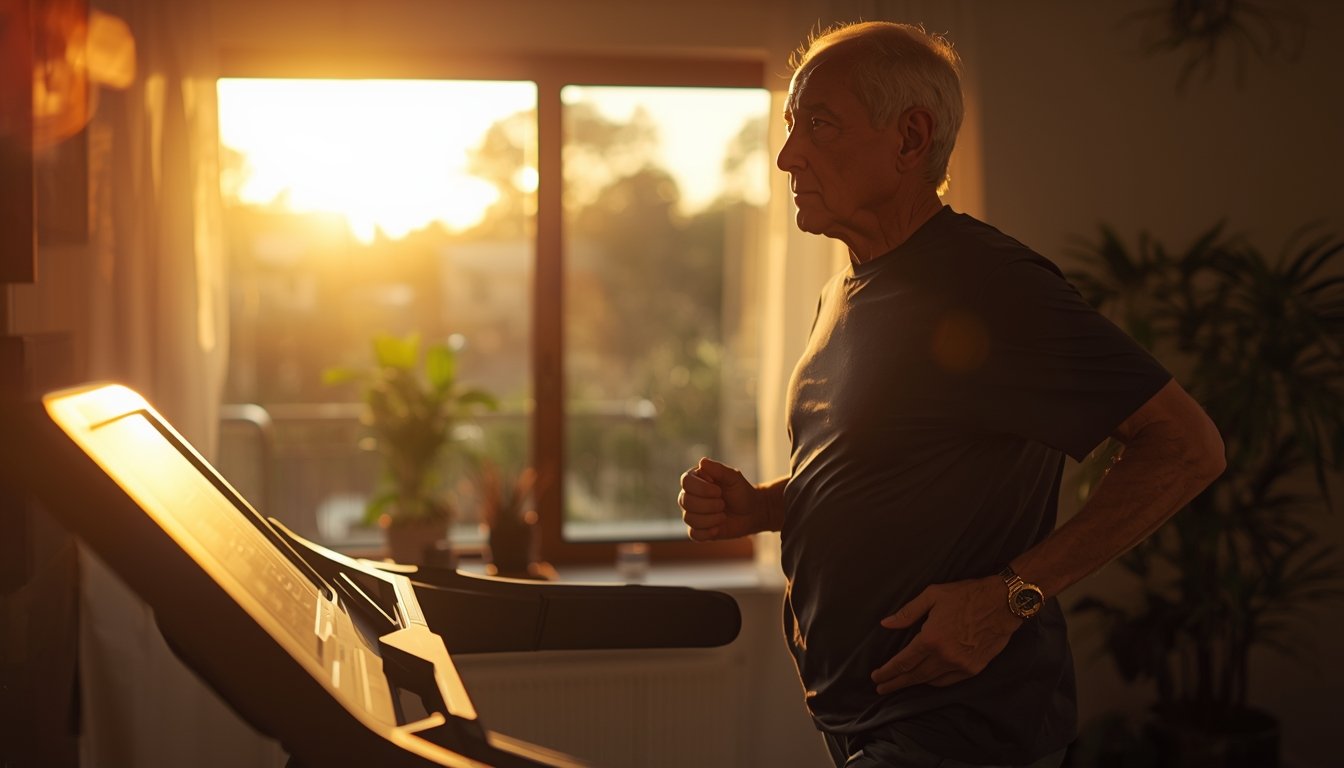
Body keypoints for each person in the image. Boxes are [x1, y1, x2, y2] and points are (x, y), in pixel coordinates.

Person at [677, 20, 1225, 768]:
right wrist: (767, 506)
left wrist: (1010, 598)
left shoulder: (992, 285)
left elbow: (1187, 446)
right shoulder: (844, 289)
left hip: (960, 732)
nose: (786, 156)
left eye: (820, 125)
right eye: (790, 127)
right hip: (862, 723)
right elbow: (883, 472)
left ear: (909, 139)